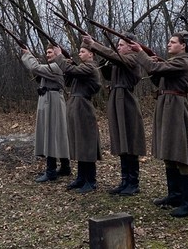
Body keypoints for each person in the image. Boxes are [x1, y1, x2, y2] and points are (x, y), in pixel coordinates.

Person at [129, 32, 188, 218]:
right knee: (168, 152)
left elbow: (152, 67)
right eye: (169, 41)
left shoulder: (182, 61)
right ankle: (175, 195)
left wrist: (140, 52)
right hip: (166, 107)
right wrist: (153, 63)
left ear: (183, 46)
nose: (169, 44)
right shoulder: (172, 62)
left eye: (173, 42)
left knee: (180, 155)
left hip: (176, 108)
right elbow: (157, 76)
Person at [82, 33, 146, 196]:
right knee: (121, 140)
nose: (118, 47)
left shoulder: (133, 59)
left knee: (130, 141)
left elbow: (118, 59)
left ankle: (133, 182)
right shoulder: (118, 61)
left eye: (122, 45)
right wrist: (105, 57)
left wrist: (94, 44)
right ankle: (125, 180)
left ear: (131, 47)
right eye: (117, 45)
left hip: (127, 101)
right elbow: (107, 72)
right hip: (116, 101)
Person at [53, 42, 102, 194]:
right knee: (79, 142)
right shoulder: (81, 68)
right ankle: (81, 177)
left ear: (91, 54)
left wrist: (60, 56)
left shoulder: (90, 67)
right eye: (79, 51)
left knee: (86, 143)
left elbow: (71, 70)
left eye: (82, 51)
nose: (79, 54)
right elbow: (68, 80)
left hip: (83, 107)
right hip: (75, 105)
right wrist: (67, 65)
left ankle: (90, 180)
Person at [21, 44, 71, 182]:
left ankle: (51, 171)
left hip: (53, 102)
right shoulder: (53, 66)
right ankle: (65, 167)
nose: (47, 55)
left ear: (57, 53)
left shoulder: (56, 67)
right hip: (49, 101)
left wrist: (27, 54)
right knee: (58, 134)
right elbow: (38, 73)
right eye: (47, 52)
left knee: (52, 134)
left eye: (50, 52)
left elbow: (35, 68)